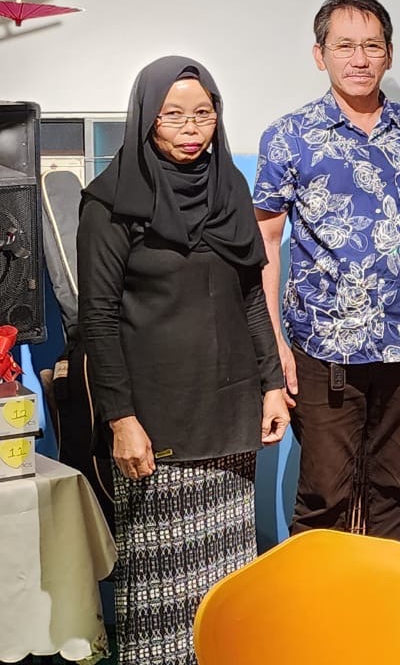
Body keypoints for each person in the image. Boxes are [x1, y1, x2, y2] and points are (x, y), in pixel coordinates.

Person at [253, 0, 400, 665]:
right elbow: (267, 243)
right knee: (325, 494)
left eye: (371, 45)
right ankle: (317, 629)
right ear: (320, 55)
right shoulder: (289, 136)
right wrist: (275, 344)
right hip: (321, 349)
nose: (359, 58)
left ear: (388, 54)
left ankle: (394, 623)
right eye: (344, 45)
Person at [78, 56, 289, 665]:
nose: (191, 128)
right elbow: (97, 319)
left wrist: (272, 385)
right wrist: (121, 419)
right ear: (146, 118)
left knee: (225, 589)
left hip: (229, 418)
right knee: (160, 596)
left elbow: (250, 296)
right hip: (154, 423)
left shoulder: (230, 189)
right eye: (173, 115)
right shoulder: (110, 202)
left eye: (203, 113)